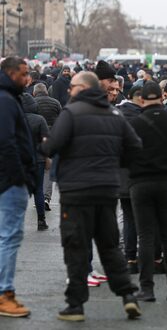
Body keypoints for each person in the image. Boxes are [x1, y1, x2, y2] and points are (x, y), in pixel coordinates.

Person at [41, 71, 142, 322]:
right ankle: (128, 295)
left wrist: (45, 144)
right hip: (107, 188)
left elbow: (52, 146)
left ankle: (75, 305)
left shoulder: (71, 113)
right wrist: (116, 163)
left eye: (73, 86)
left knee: (76, 246)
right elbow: (135, 147)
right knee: (109, 245)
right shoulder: (114, 114)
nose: (68, 90)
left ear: (83, 88)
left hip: (76, 190)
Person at [128, 82, 167, 302]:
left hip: (140, 184)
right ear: (162, 99)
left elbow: (123, 157)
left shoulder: (134, 124)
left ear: (142, 100)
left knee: (145, 236)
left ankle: (147, 289)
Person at [0, 57, 36, 318]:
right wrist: (19, 176)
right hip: (10, 181)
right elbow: (7, 142)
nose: (27, 79)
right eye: (23, 74)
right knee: (9, 237)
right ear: (11, 73)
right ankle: (4, 293)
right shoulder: (6, 100)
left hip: (8, 178)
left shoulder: (7, 98)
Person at [116, 85, 143, 274]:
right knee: (144, 219)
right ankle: (149, 257)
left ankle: (130, 258)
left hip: (120, 177)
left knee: (128, 218)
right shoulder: (143, 119)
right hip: (139, 176)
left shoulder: (116, 116)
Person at [21, 93, 50, 231]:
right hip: (38, 159)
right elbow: (46, 140)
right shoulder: (40, 119)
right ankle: (41, 221)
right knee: (38, 190)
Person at [32, 83, 61, 210]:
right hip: (52, 138)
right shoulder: (55, 103)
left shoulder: (32, 103)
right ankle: (46, 197)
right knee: (48, 169)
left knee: (38, 168)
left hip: (36, 140)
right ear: (46, 92)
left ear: (34, 93)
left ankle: (38, 195)